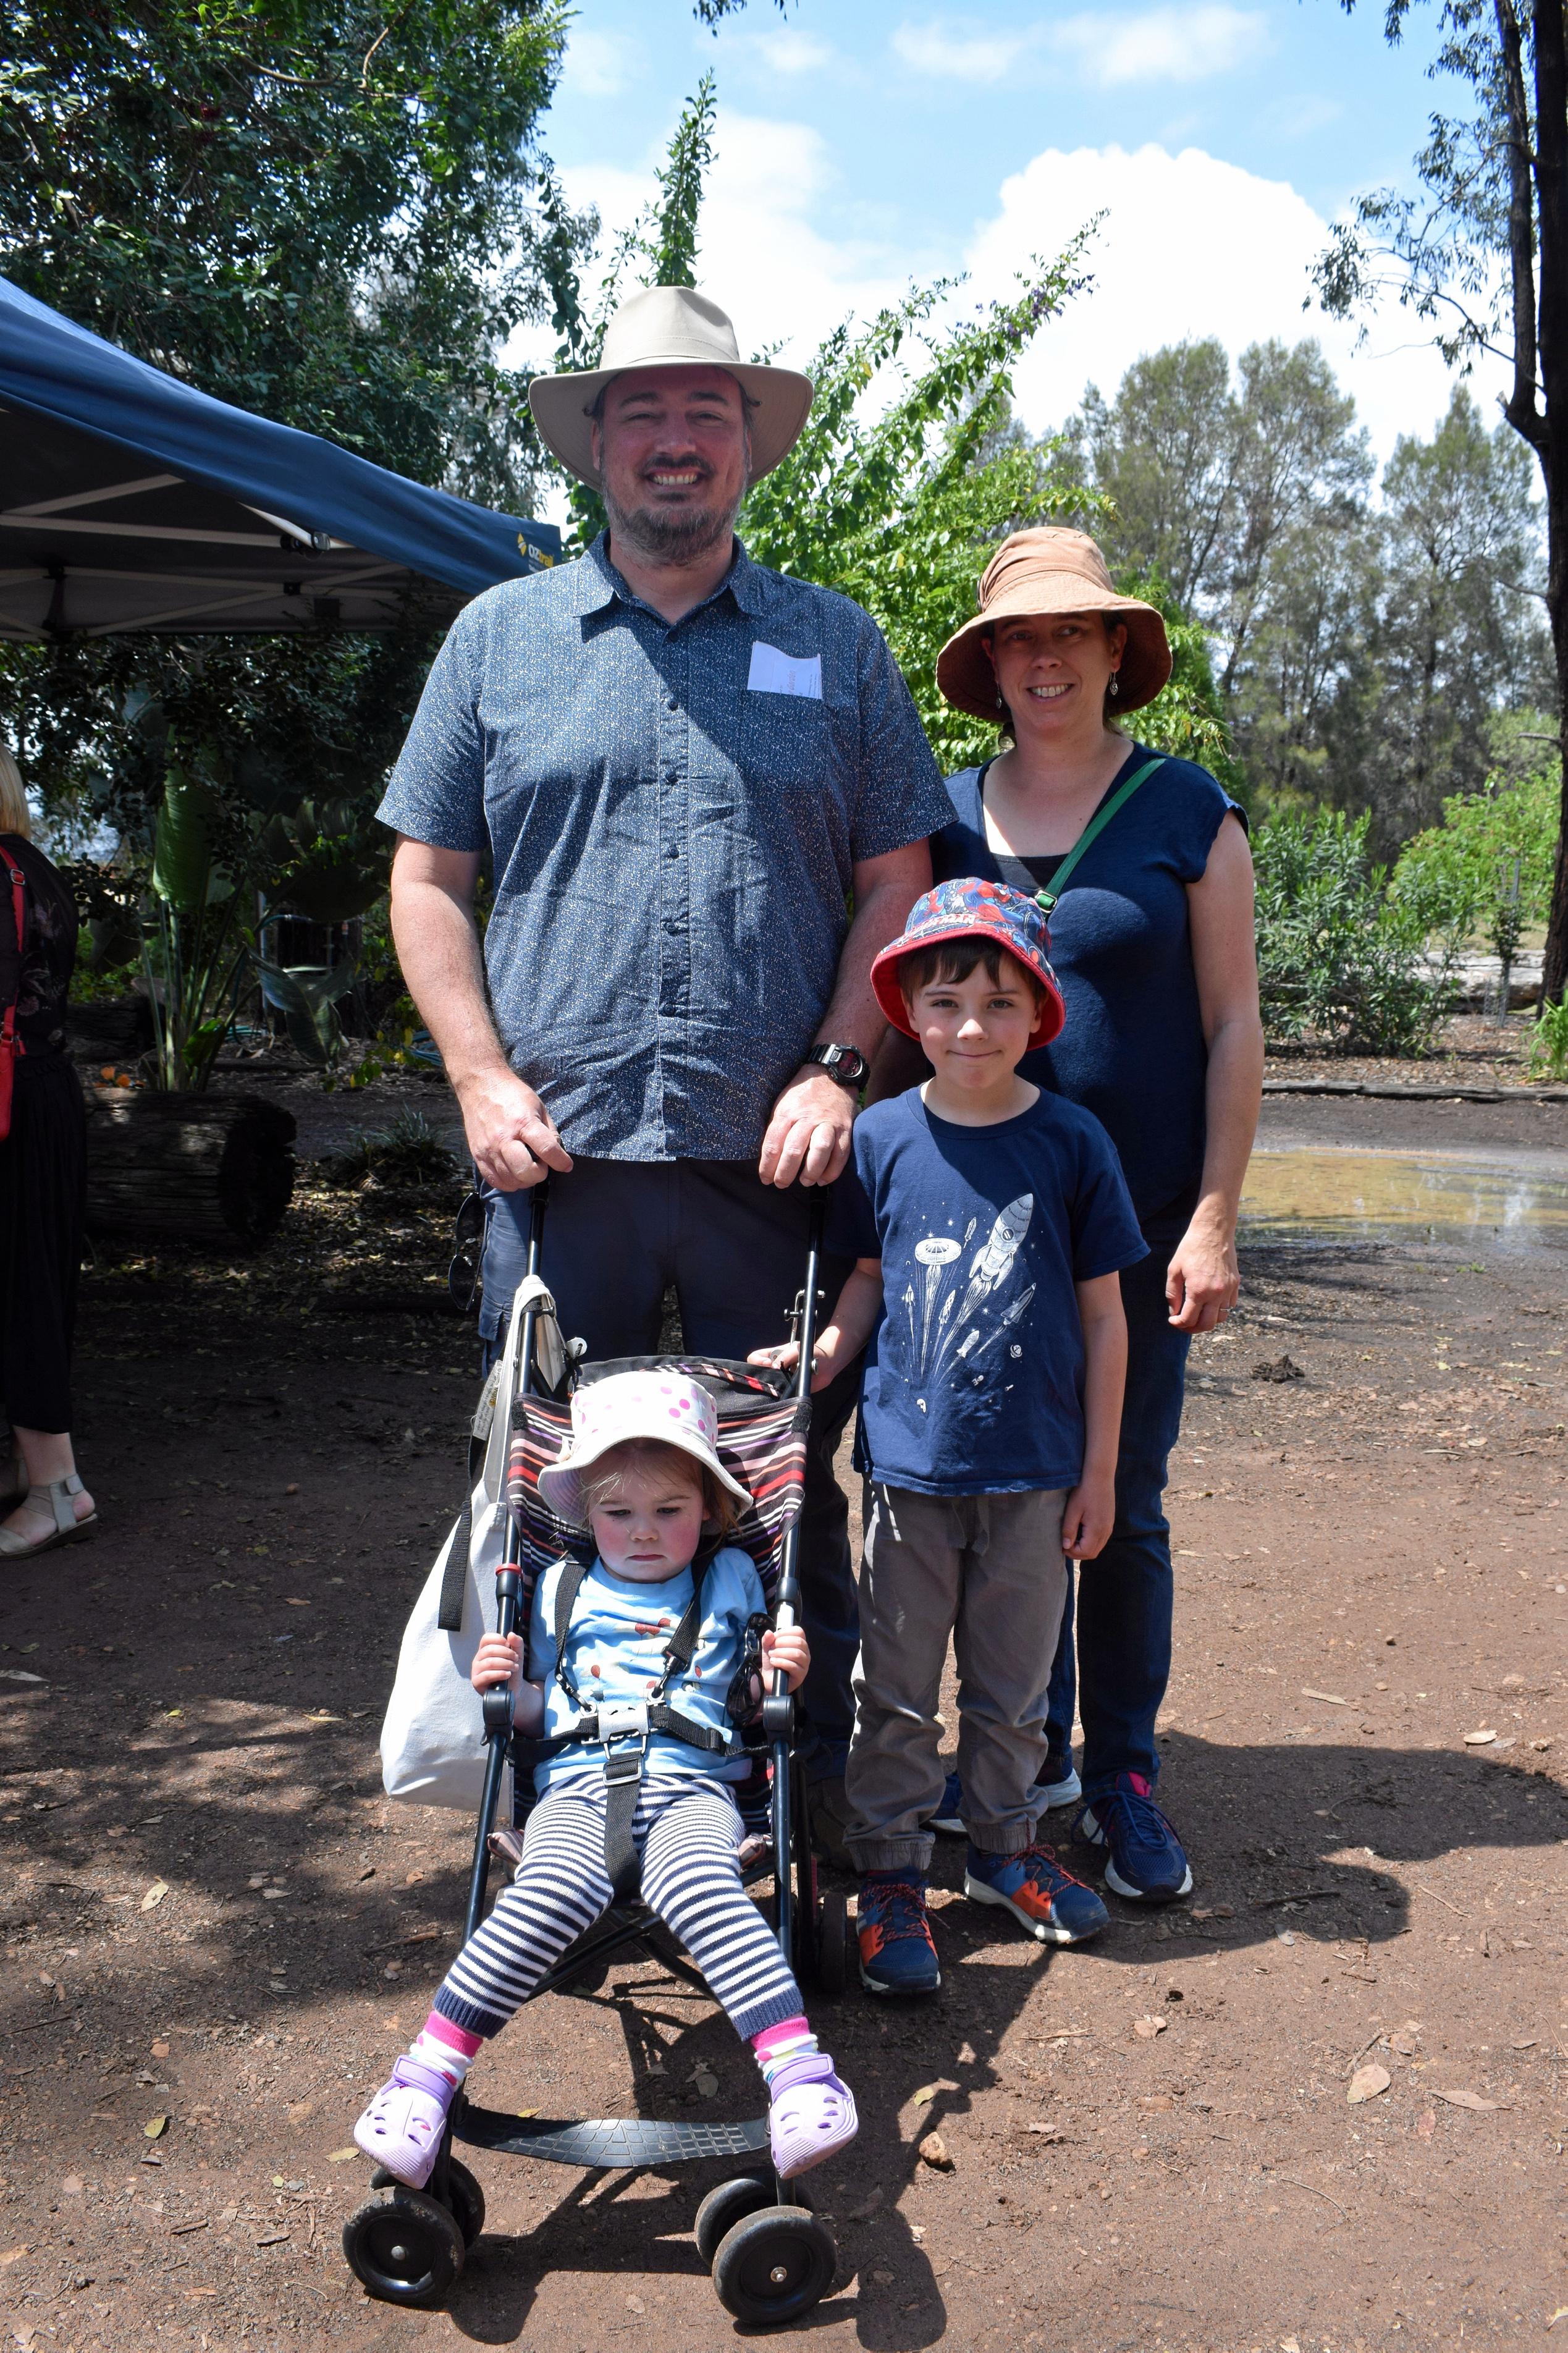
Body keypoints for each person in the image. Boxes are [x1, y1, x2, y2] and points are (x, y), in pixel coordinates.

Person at [377, 285, 953, 1849]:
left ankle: (786, 1800)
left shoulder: (835, 647)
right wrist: (483, 1080)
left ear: (751, 443)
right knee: (556, 1495)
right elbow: (427, 881)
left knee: (778, 1499)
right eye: (644, 411)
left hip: (775, 1171)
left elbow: (898, 876)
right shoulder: (500, 640)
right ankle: (563, 1805)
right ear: (597, 443)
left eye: (707, 411)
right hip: (556, 1173)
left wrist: (843, 1067)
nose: (676, 439)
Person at [905, 526, 1263, 1903]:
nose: (1042, 657)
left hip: (1138, 1231)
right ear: (989, 663)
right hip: (972, 1235)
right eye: (1017, 637)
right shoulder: (942, 817)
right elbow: (901, 1017)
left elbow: (1233, 1025)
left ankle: (1119, 1770)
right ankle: (1016, 1753)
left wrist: (1216, 1214)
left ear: (1120, 650)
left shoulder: (1188, 811)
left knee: (1126, 1501)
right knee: (995, 1497)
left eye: (1071, 633)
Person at [753, 882, 1147, 1994]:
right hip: (907, 1478)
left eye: (996, 1002)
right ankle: (887, 1877)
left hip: (1035, 1478)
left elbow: (1107, 1316)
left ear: (1038, 1014)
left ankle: (1005, 1853)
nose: (969, 1025)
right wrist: (824, 1355)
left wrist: (1101, 1473)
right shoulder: (880, 1136)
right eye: (943, 1002)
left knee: (1015, 1689)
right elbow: (867, 1284)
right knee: (893, 1687)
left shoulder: (1073, 1143)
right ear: (907, 1015)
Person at [353, 1371, 858, 2184]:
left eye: (670, 1512)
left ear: (709, 1510)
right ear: (588, 1513)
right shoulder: (560, 1585)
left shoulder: (728, 1579)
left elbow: (753, 1698)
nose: (645, 1532)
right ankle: (420, 2084)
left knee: (703, 1887)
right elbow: (530, 1712)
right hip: (577, 1786)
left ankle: (800, 2078)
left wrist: (780, 1674)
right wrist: (502, 1688)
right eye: (619, 1513)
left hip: (696, 1786)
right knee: (546, 1891)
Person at [0, 746, 96, 1561]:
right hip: (46, 1091)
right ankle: (44, 1475)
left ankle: (55, 1489)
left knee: (20, 1282)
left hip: (12, 1105)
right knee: (37, 1276)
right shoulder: (35, 865)